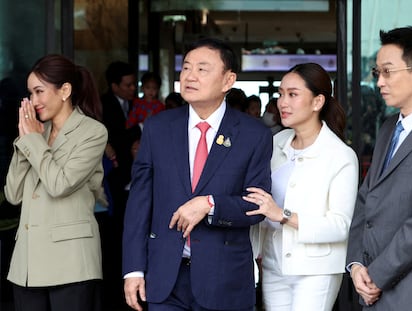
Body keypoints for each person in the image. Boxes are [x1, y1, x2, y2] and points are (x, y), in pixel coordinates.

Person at [122, 37, 272, 311]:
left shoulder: (253, 135)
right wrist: (133, 269)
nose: (190, 76)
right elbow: (139, 203)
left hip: (224, 279)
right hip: (165, 275)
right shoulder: (158, 128)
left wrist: (210, 204)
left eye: (202, 69)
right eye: (186, 68)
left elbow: (257, 205)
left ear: (228, 80)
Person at [246, 62, 359, 311]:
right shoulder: (276, 143)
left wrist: (282, 215)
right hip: (274, 264)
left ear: (318, 102)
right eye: (280, 94)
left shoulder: (340, 155)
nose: (282, 103)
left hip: (316, 270)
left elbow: (341, 226)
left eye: (293, 94)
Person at [3, 54, 107, 311]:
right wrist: (25, 141)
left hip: (71, 263)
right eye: (30, 93)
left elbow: (60, 184)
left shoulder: (92, 132)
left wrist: (34, 143)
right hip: (27, 264)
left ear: (65, 90)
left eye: (39, 91)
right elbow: (13, 194)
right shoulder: (37, 133)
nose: (33, 101)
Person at [346, 26, 412, 310]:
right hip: (373, 288)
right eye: (377, 73)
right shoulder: (388, 128)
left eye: (388, 71)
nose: (379, 82)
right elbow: (366, 199)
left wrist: (378, 274)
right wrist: (357, 264)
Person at [100, 61, 141, 310]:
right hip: (115, 179)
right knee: (115, 237)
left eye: (133, 84)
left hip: (131, 179)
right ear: (114, 86)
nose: (132, 89)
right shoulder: (106, 106)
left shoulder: (136, 104)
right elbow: (114, 136)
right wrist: (140, 129)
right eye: (127, 85)